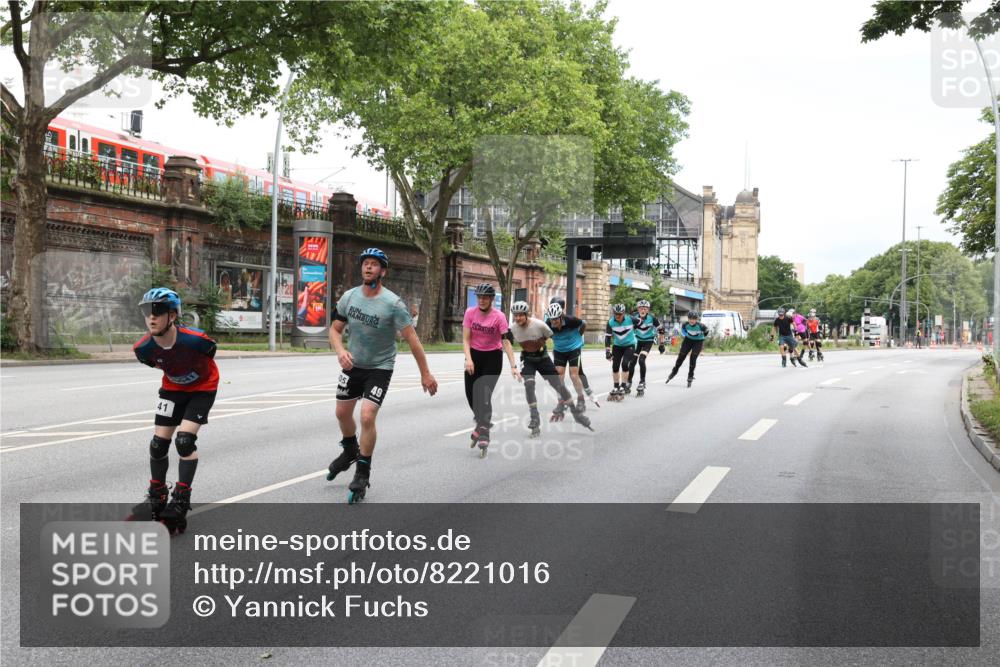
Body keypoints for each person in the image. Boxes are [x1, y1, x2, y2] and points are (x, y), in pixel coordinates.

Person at [326, 248, 438, 503]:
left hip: (380, 367)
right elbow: (334, 329)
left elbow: (413, 340)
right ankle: (350, 449)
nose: (368, 268)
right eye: (365, 263)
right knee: (341, 413)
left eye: (374, 264)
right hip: (352, 364)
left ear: (382, 271)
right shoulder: (349, 297)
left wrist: (426, 374)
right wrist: (341, 350)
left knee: (367, 415)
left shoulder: (393, 304)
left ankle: (362, 472)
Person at [129, 288, 219, 534]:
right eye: (147, 312)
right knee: (158, 444)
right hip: (172, 390)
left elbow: (211, 353)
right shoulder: (143, 348)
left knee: (184, 441)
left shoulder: (196, 340)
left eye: (158, 311)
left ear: (173, 316)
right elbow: (158, 363)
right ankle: (157, 497)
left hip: (202, 388)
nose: (152, 317)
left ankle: (181, 500)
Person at [510, 301, 592, 438]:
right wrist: (513, 366)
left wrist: (575, 345)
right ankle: (534, 416)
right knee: (529, 384)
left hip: (543, 358)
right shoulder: (512, 328)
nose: (518, 318)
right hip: (527, 359)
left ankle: (575, 413)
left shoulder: (540, 325)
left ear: (526, 314)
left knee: (559, 385)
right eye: (515, 316)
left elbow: (556, 338)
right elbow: (506, 342)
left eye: (521, 315)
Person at [463, 283, 520, 456]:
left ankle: (484, 432)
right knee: (471, 395)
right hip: (474, 355)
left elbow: (506, 342)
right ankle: (482, 423)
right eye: (479, 297)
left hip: (492, 358)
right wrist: (469, 359)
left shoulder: (499, 317)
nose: (481, 300)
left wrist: (513, 366)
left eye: (485, 297)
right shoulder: (470, 313)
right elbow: (465, 339)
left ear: (491, 299)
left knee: (483, 395)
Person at [545, 301, 600, 411]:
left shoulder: (570, 320)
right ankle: (561, 402)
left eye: (556, 319)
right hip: (560, 350)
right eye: (551, 319)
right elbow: (545, 334)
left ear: (561, 316)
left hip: (574, 348)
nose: (553, 321)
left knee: (574, 375)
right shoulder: (548, 323)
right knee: (558, 376)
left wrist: (580, 334)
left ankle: (581, 400)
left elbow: (583, 323)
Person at [626, 299, 665, 397]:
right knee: (632, 361)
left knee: (641, 360)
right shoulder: (634, 318)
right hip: (637, 341)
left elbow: (661, 330)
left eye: (645, 309)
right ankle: (629, 382)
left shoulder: (652, 318)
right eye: (641, 308)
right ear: (638, 309)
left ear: (648, 310)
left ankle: (642, 382)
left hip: (648, 341)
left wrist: (661, 344)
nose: (643, 310)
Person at [605, 303, 639, 401]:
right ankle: (616, 386)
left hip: (630, 345)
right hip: (617, 346)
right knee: (615, 366)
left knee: (625, 364)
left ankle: (623, 386)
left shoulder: (630, 319)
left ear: (624, 313)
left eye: (620, 314)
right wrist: (607, 351)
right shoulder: (611, 322)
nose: (618, 316)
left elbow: (641, 323)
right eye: (616, 314)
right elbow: (607, 337)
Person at [666, 310, 708, 387]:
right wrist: (687, 335)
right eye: (690, 319)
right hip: (688, 340)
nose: (692, 320)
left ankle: (690, 375)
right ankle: (674, 371)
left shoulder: (701, 326)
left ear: (697, 319)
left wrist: (701, 338)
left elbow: (706, 332)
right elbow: (683, 331)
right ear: (688, 319)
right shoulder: (685, 324)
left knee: (693, 357)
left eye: (694, 319)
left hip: (698, 341)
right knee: (681, 356)